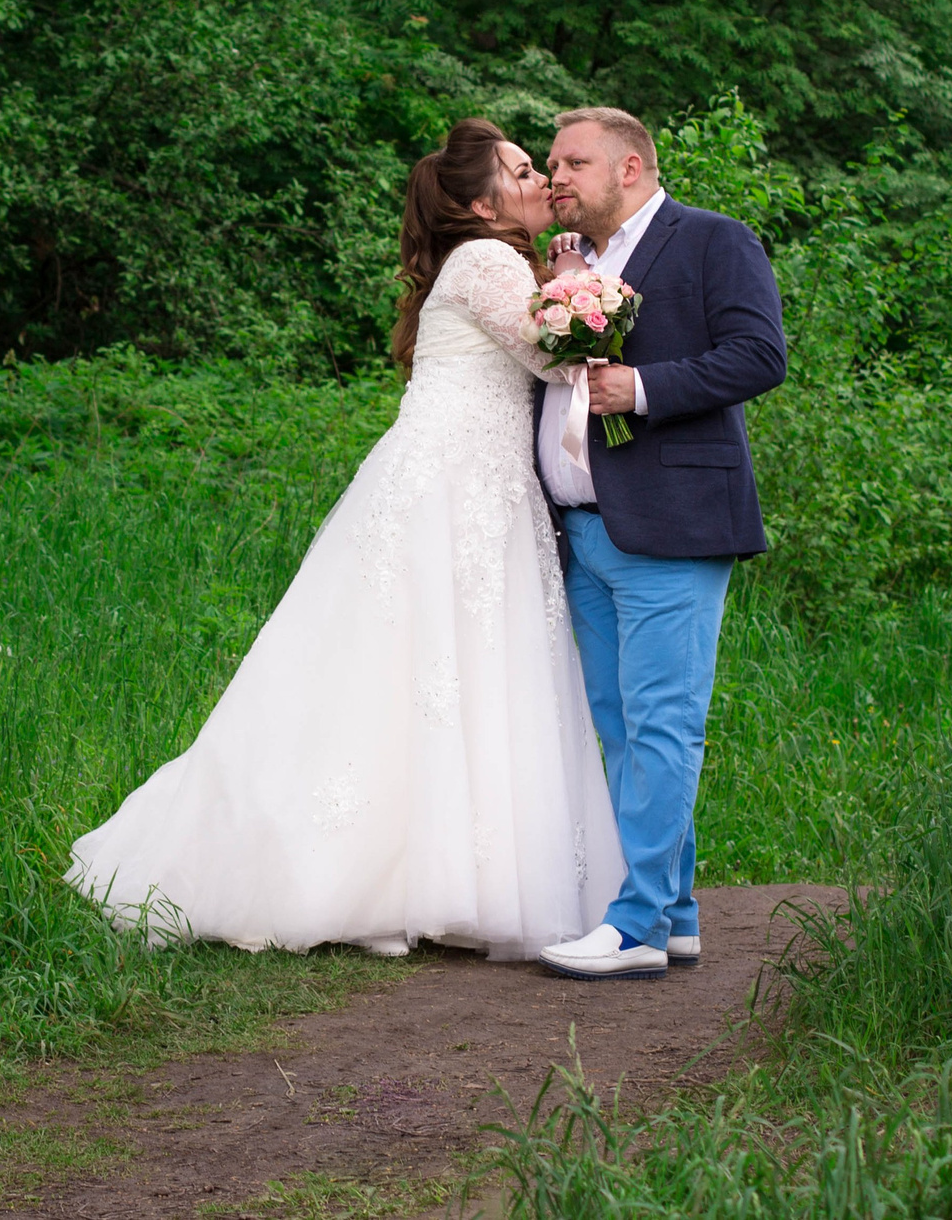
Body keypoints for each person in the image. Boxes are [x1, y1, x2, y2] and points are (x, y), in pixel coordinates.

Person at [65, 119, 617, 958]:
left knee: (426, 672)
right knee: (424, 667)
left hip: (475, 488)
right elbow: (558, 354)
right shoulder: (488, 261)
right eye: (519, 169)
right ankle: (356, 874)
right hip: (452, 488)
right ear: (483, 203)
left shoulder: (498, 264)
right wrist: (586, 280)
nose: (540, 176)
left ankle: (433, 873)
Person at [530, 108, 786, 981]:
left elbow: (759, 355)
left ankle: (634, 926)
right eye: (551, 162)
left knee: (664, 727)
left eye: (573, 162)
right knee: (620, 728)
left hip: (673, 524)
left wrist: (642, 387)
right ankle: (674, 915)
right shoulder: (578, 264)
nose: (555, 177)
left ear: (631, 167)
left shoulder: (713, 241)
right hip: (585, 532)